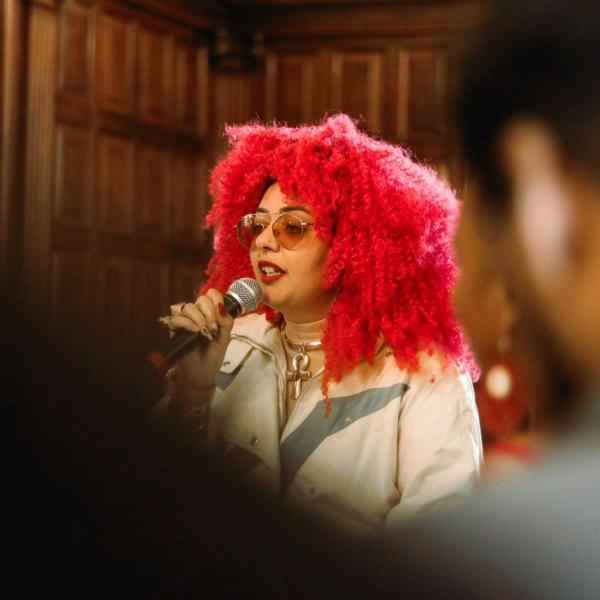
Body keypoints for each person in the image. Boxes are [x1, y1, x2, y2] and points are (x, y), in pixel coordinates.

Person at [157, 114, 483, 535]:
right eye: (257, 225)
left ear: (354, 243)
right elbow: (154, 507)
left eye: (292, 227)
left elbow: (440, 552)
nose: (265, 241)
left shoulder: (424, 375)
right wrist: (192, 396)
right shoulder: (225, 346)